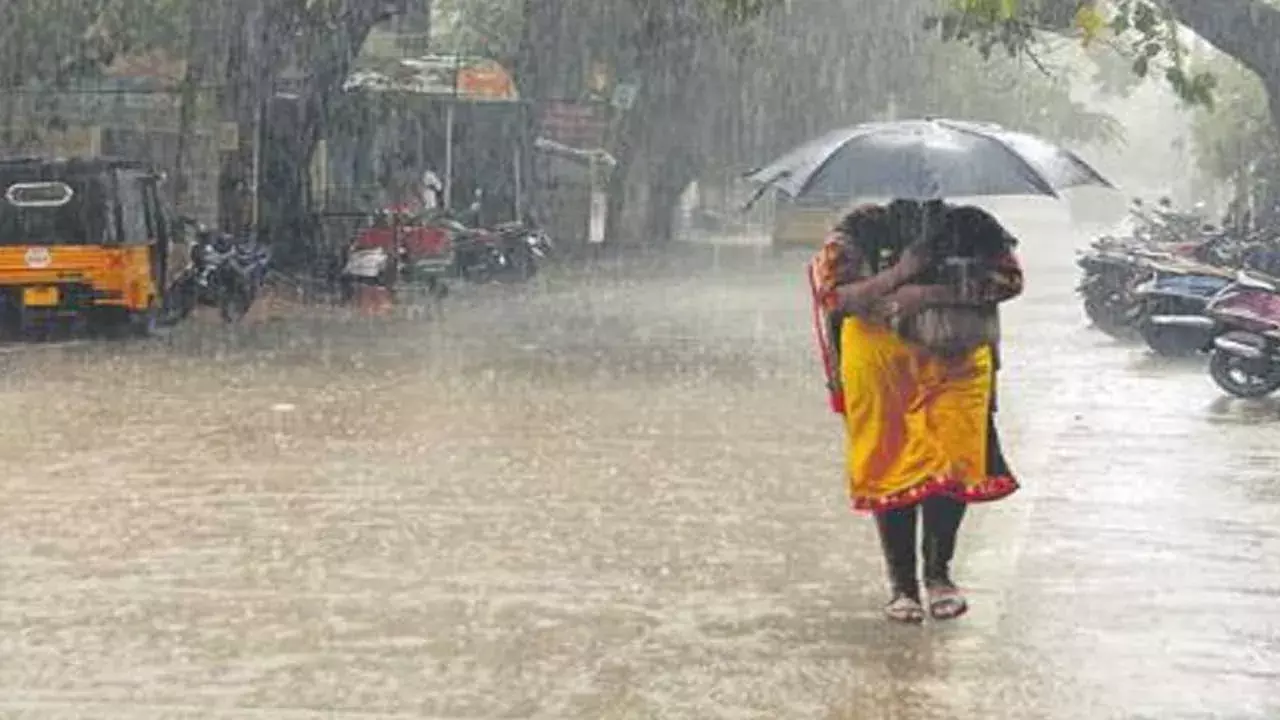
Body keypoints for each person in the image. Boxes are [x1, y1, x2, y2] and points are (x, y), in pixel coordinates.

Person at [809, 200, 1023, 624]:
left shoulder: (974, 225)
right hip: (879, 365)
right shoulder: (859, 227)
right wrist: (900, 274)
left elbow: (1009, 281)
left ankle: (939, 575)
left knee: (954, 460)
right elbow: (833, 297)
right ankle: (903, 586)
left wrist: (931, 294)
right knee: (890, 465)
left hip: (957, 359)